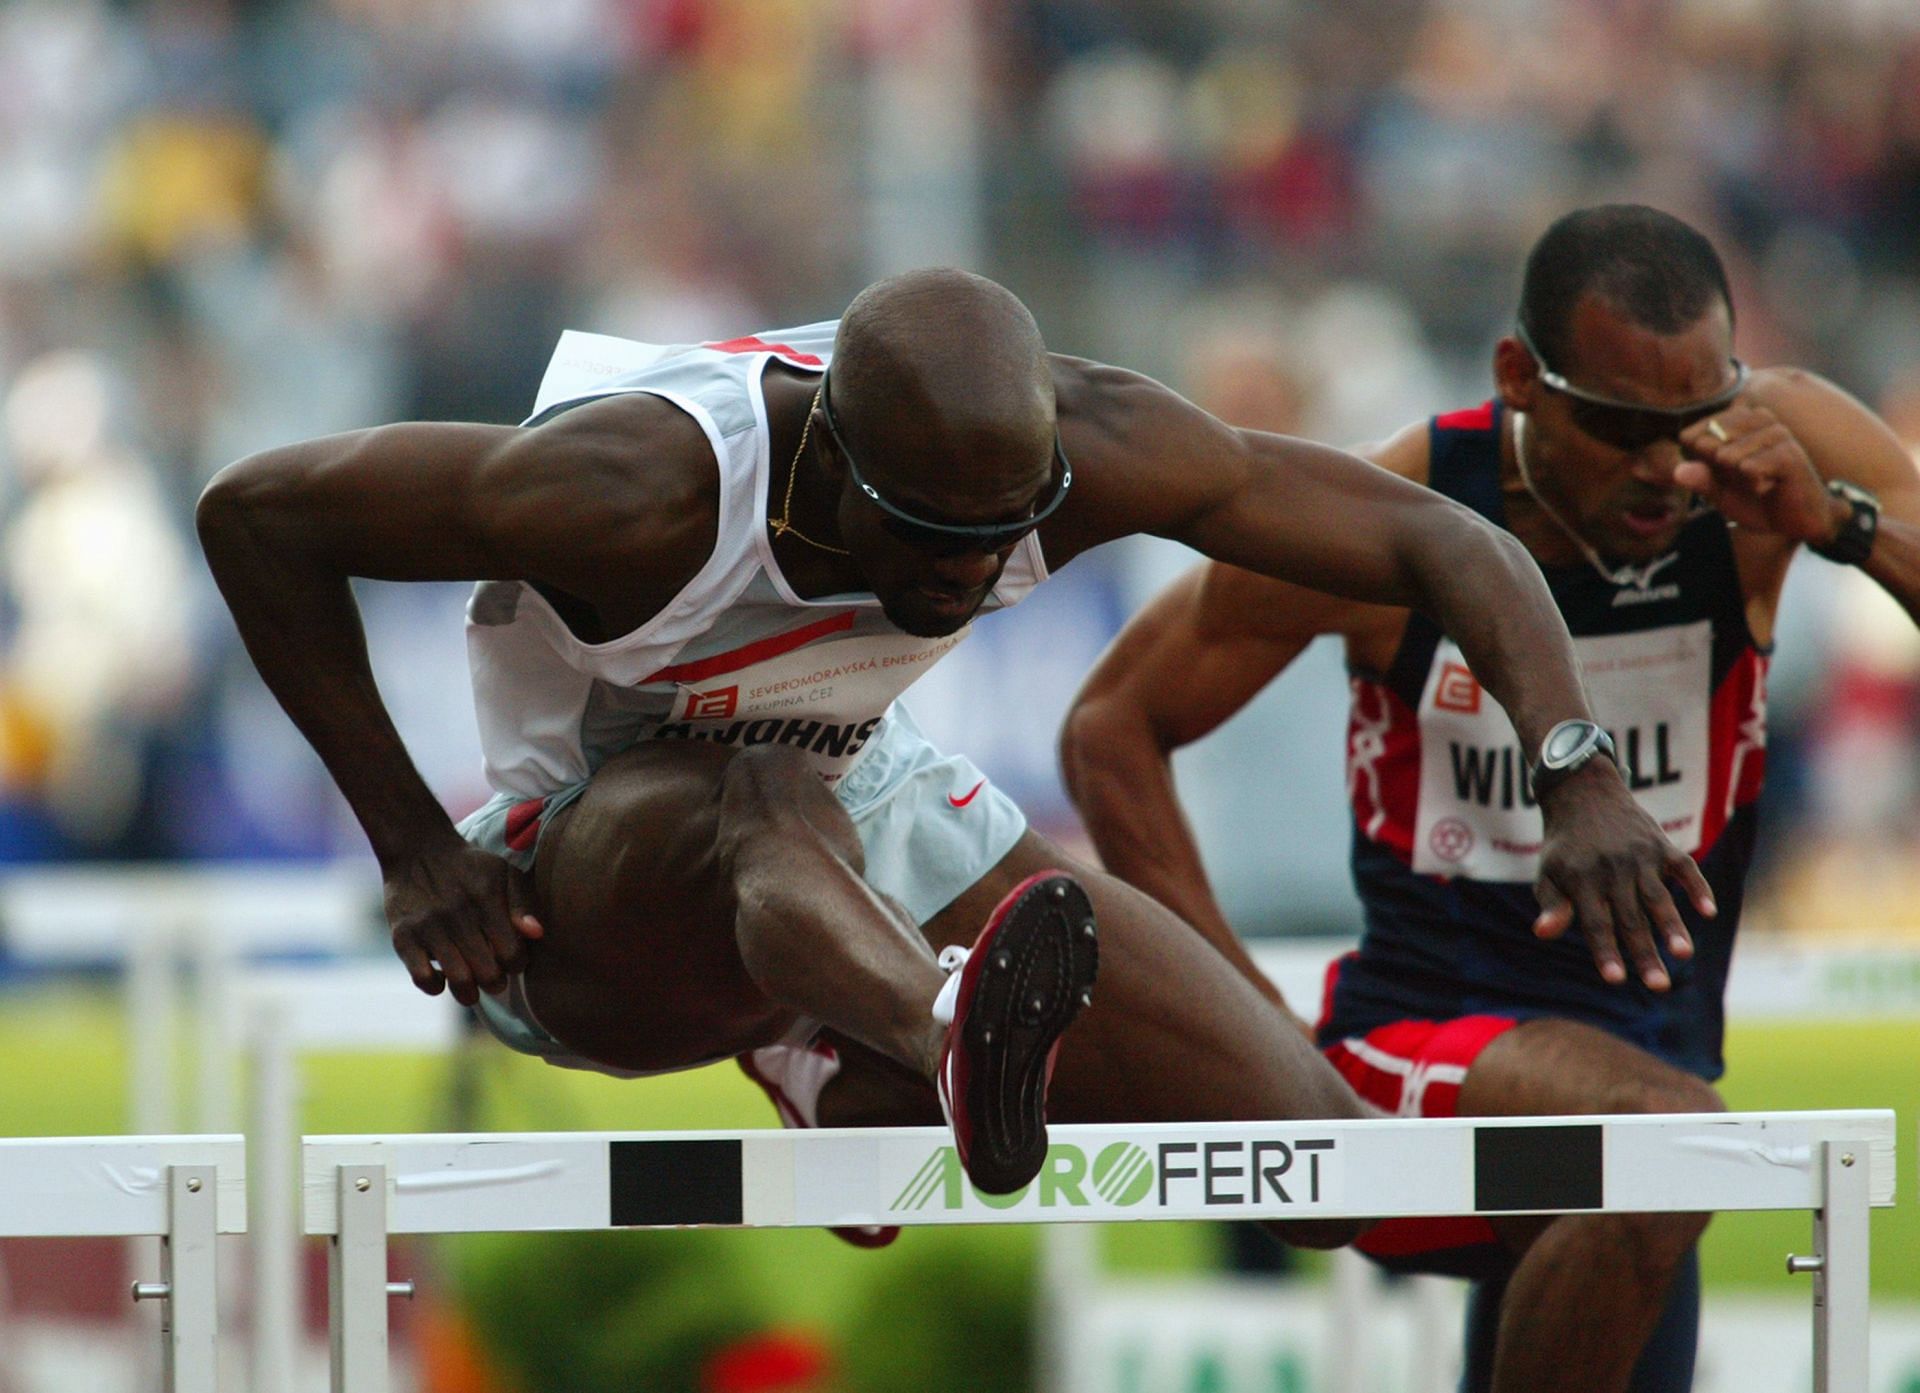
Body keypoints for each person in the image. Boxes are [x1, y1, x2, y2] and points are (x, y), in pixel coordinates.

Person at [197, 265, 1708, 1212]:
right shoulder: (632, 488)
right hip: (585, 875)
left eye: (1006, 539)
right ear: (831, 467)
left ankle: (851, 1038)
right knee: (765, 795)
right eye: (929, 541)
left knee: (1311, 1158)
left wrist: (1575, 764)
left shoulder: (1093, 448)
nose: (971, 578)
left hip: (870, 793)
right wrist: (409, 844)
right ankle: (925, 1032)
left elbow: (1444, 541)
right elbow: (258, 515)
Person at [1060, 206, 1920, 1392]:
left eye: (1693, 417)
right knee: (1662, 1148)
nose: (1669, 465)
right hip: (1419, 1051)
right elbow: (1113, 724)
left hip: (1650, 1071)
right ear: (1519, 377)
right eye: (1621, 427)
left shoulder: (1780, 448)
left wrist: (1843, 528)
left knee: (1653, 1164)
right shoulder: (1408, 507)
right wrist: (1248, 1027)